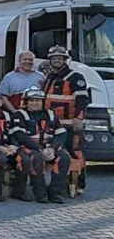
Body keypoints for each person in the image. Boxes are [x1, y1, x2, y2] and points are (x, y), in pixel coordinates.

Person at [41, 45, 89, 192]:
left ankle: (79, 183)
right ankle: (60, 181)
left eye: (59, 58)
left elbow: (82, 100)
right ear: (50, 60)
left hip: (70, 124)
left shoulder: (75, 77)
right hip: (53, 124)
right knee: (55, 153)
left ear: (65, 60)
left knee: (76, 152)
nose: (56, 60)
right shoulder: (49, 77)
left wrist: (78, 119)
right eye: (54, 58)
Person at [12, 86, 71, 204]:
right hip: (29, 147)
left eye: (38, 100)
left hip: (49, 147)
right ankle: (40, 194)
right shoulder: (20, 114)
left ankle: (55, 193)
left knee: (64, 157)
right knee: (36, 158)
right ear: (26, 102)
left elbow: (61, 134)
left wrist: (52, 148)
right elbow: (20, 136)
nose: (35, 103)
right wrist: (39, 149)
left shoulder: (51, 114)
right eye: (32, 100)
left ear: (43, 102)